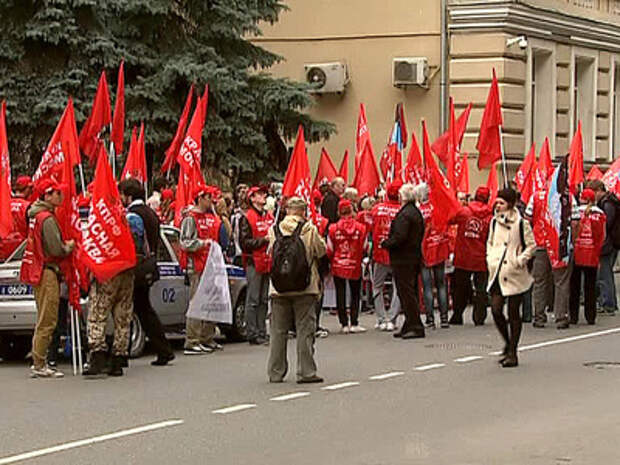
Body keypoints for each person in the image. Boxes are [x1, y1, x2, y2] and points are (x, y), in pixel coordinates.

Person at [267, 197, 326, 384]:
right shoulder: (309, 229)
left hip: (278, 288)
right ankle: (306, 372)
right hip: (304, 286)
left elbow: (270, 252)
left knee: (278, 331)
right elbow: (321, 250)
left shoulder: (274, 229)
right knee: (304, 330)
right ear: (303, 212)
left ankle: (275, 372)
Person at [20, 179, 75, 378]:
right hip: (47, 271)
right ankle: (39, 362)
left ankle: (38, 360)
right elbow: (56, 249)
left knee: (43, 317)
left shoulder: (35, 215)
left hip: (38, 270)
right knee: (48, 318)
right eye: (57, 193)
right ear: (47, 195)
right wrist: (69, 246)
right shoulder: (47, 219)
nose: (60, 196)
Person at [120, 179, 175, 367]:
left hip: (136, 266)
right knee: (143, 309)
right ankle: (163, 349)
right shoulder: (151, 213)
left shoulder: (133, 215)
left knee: (130, 309)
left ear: (128, 196)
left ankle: (124, 351)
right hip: (149, 265)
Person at [486, 188, 536, 368]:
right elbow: (490, 243)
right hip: (498, 272)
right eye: (497, 202)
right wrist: (490, 259)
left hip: (514, 273)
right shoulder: (494, 222)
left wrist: (520, 260)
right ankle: (507, 342)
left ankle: (513, 352)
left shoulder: (521, 223)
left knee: (514, 313)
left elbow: (531, 246)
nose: (498, 206)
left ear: (510, 204)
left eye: (501, 202)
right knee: (496, 309)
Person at [179, 185, 227, 355]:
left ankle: (207, 337)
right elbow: (184, 242)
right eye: (208, 197)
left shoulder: (211, 217)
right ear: (199, 198)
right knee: (196, 303)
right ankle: (192, 341)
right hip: (197, 266)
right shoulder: (190, 218)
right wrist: (202, 243)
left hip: (211, 265)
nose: (211, 200)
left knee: (211, 303)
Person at [526, 183, 579, 329]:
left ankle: (539, 317)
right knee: (561, 282)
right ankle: (561, 317)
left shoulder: (536, 196)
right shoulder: (568, 197)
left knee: (539, 282)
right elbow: (575, 222)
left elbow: (527, 218)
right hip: (560, 245)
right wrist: (571, 242)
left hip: (540, 243)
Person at [382, 183, 425, 339]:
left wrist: (386, 243)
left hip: (404, 258)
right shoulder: (415, 212)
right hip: (412, 257)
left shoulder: (405, 214)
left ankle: (415, 325)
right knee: (409, 292)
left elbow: (400, 237)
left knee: (406, 293)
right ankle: (409, 324)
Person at [449, 186, 493, 326]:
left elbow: (450, 220)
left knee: (460, 287)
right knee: (481, 289)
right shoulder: (491, 216)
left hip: (464, 255)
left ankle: (457, 315)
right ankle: (479, 317)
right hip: (482, 256)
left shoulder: (464, 212)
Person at [239, 186, 274, 345]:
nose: (263, 196)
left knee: (263, 299)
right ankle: (252, 332)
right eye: (259, 194)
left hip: (267, 261)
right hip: (254, 261)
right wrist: (263, 240)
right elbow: (244, 243)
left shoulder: (268, 217)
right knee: (253, 299)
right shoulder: (247, 217)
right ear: (252, 198)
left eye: (264, 194)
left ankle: (261, 330)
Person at [327, 199, 368, 333]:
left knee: (340, 293)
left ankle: (344, 324)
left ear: (338, 212)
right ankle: (354, 322)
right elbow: (365, 246)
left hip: (338, 264)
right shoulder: (361, 228)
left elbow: (329, 249)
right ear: (352, 210)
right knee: (355, 293)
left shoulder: (333, 228)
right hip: (354, 264)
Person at [570, 188, 606, 324]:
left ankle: (573, 316)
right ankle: (590, 317)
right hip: (592, 253)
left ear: (582, 198)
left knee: (574, 286)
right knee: (590, 286)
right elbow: (603, 235)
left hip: (577, 251)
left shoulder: (575, 212)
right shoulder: (600, 214)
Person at [416, 183, 450, 328]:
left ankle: (430, 319)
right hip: (439, 247)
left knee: (427, 286)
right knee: (441, 284)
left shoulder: (419, 212)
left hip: (425, 250)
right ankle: (444, 318)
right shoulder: (438, 209)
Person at [370, 181, 402, 331]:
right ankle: (392, 319)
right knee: (397, 287)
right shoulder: (402, 211)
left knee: (377, 286)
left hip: (380, 253)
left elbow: (370, 229)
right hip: (396, 253)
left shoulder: (376, 209)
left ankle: (381, 318)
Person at [590, 180, 620, 315]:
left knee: (604, 274)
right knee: (605, 273)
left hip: (608, 243)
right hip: (612, 242)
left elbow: (606, 223)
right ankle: (609, 301)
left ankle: (608, 303)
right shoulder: (610, 201)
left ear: (598, 191)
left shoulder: (607, 203)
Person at [1, 176, 33, 260]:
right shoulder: (28, 206)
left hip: (3, 252)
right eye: (31, 188)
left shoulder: (4, 204)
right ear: (27, 189)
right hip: (21, 251)